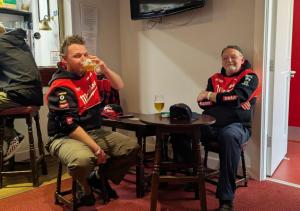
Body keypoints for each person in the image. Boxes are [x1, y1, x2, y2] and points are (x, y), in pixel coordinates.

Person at [46, 35, 140, 206]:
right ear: (64, 59)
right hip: (64, 136)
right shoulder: (60, 86)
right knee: (83, 160)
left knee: (131, 148)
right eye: (77, 56)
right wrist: (97, 150)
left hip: (93, 131)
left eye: (85, 54)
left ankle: (96, 177)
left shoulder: (90, 75)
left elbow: (119, 85)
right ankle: (84, 185)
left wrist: (104, 68)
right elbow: (70, 126)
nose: (83, 59)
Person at [197, 45, 259, 211]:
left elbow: (238, 97)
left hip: (237, 126)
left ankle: (226, 199)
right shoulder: (214, 78)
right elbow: (202, 104)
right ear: (221, 61)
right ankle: (191, 177)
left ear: (242, 60)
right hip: (211, 123)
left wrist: (211, 95)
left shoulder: (249, 76)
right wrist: (225, 100)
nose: (229, 60)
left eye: (233, 56)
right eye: (225, 58)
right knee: (182, 126)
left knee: (228, 136)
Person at [0, 28, 43, 161]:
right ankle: (8, 134)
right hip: (34, 94)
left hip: (21, 93)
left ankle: (12, 136)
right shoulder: (17, 42)